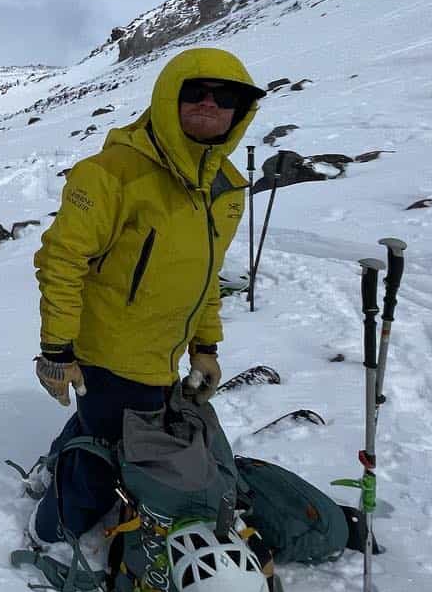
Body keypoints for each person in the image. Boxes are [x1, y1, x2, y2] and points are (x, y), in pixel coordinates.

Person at [28, 46, 266, 544]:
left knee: (107, 426)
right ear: (166, 99)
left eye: (226, 97)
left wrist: (206, 347)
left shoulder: (223, 189)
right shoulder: (112, 173)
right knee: (112, 444)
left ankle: (57, 464)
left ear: (240, 112)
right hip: (107, 353)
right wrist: (56, 351)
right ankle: (52, 527)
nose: (209, 104)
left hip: (165, 354)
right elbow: (61, 261)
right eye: (194, 92)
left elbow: (206, 276)